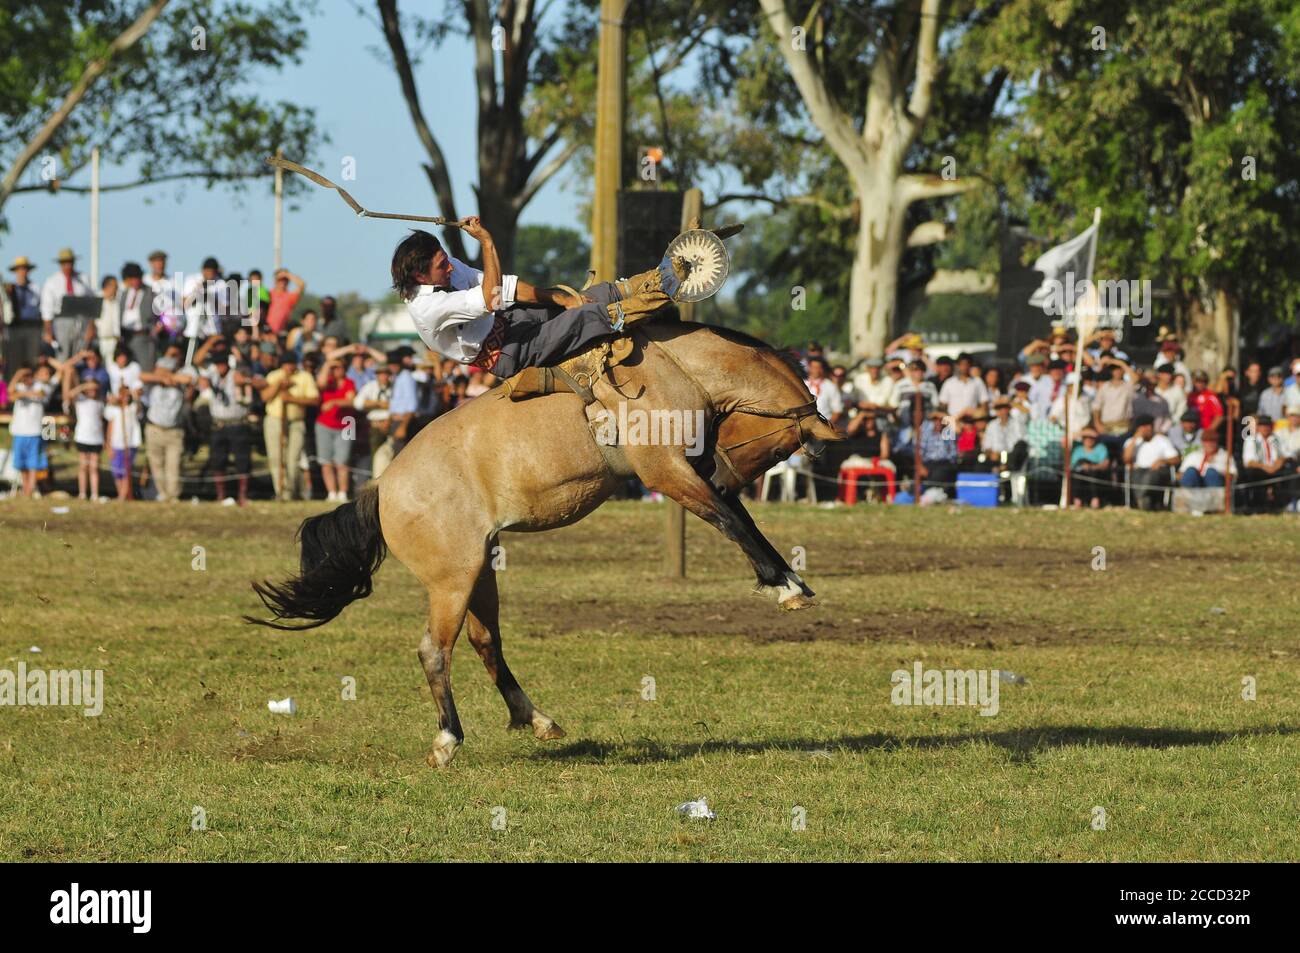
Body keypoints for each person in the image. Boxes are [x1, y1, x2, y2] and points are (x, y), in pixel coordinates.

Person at [392, 221, 689, 381]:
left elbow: (504, 287)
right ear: (420, 276)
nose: (451, 267)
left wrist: (558, 297)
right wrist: (487, 242)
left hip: (509, 319)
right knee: (581, 318)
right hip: (507, 352)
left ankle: (661, 273)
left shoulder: (443, 266)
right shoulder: (427, 309)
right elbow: (491, 298)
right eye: (442, 266)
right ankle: (663, 294)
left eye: (446, 260)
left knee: (586, 297)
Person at [138, 343, 197, 502]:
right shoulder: (155, 380)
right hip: (154, 428)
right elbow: (141, 376)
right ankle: (162, 494)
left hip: (174, 430)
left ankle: (173, 495)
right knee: (157, 464)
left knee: (174, 465)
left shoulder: (182, 375)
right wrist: (162, 378)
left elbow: (189, 378)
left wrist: (172, 379)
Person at [260, 350, 320, 501]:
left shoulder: (304, 377)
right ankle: (281, 490)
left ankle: (292, 490)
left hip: (296, 421)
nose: (288, 368)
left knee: (293, 458)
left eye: (291, 364)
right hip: (275, 419)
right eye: (286, 365)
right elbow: (265, 396)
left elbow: (314, 399)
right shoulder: (274, 376)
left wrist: (292, 399)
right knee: (276, 457)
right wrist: (279, 386)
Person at [204, 355, 259, 505]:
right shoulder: (212, 375)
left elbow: (243, 380)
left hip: (237, 423)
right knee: (218, 461)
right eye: (218, 365)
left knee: (242, 461)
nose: (220, 367)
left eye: (222, 364)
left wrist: (244, 381)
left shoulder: (235, 374)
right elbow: (199, 366)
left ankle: (242, 496)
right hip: (219, 424)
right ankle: (221, 495)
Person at [314, 357, 358, 502]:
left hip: (347, 423)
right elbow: (320, 383)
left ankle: (343, 493)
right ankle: (331, 493)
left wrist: (334, 402)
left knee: (343, 461)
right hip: (324, 425)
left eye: (338, 367)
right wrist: (327, 364)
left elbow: (351, 401)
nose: (336, 370)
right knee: (326, 461)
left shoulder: (349, 383)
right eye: (334, 368)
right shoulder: (327, 383)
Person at [8, 364, 54, 497]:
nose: (26, 379)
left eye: (28, 376)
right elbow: (10, 394)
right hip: (19, 431)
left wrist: (23, 393)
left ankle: (31, 489)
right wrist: (17, 375)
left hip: (35, 432)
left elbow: (41, 393)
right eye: (24, 376)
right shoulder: (20, 386)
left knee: (33, 463)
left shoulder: (41, 386)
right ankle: (25, 489)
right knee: (22, 464)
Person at [61, 362, 105, 501]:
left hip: (96, 438)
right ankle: (82, 493)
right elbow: (69, 394)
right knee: (83, 467)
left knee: (94, 468)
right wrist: (84, 386)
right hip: (82, 437)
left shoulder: (100, 402)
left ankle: (94, 494)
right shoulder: (80, 400)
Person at [39, 248, 91, 357]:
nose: (68, 266)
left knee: (80, 355)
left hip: (81, 320)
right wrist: (48, 330)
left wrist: (91, 326)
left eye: (70, 262)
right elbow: (47, 308)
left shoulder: (83, 279)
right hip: (61, 322)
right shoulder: (52, 281)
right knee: (63, 354)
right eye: (65, 263)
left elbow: (90, 302)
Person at [1123, 414, 1180, 511]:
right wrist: (1135, 439)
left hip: (1157, 472)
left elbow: (1176, 459)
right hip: (1138, 472)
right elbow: (1126, 459)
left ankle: (1140, 497)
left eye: (1150, 426)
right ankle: (1144, 498)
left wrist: (1162, 460)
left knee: (1151, 475)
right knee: (1137, 474)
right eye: (1145, 426)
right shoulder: (1131, 442)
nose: (1148, 429)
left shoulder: (1162, 440)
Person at [354, 362, 395, 479]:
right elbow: (357, 403)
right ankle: (377, 480)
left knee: (392, 454)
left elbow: (398, 406)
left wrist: (388, 416)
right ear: (377, 375)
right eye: (381, 374)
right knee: (376, 455)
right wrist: (378, 404)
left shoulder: (395, 386)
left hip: (391, 423)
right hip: (375, 426)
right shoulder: (370, 386)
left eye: (386, 374)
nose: (383, 377)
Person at [103, 382, 142, 502]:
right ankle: (122, 493)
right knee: (117, 472)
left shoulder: (132, 408)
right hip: (116, 444)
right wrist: (108, 444)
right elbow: (110, 427)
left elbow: (138, 407)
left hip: (129, 444)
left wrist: (133, 394)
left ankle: (123, 496)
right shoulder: (113, 410)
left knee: (126, 471)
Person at [5, 255, 44, 370]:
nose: (22, 272)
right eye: (19, 269)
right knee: (15, 358)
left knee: (32, 358)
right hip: (15, 327)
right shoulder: (10, 288)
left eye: (24, 269)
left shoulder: (35, 288)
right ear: (15, 271)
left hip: (33, 326)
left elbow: (40, 306)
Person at [1242, 414, 1287, 511]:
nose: (1265, 428)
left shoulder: (1277, 438)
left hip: (1276, 469)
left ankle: (1282, 504)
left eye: (1267, 425)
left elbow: (1285, 454)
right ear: (1258, 427)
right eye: (1262, 425)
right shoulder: (1251, 439)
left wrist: (1278, 463)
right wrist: (1266, 467)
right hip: (1260, 470)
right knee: (1252, 473)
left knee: (1288, 471)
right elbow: (1249, 461)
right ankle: (1257, 504)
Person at [938, 352, 990, 418]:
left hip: (972, 421)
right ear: (957, 365)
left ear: (970, 365)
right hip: (953, 421)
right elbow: (942, 405)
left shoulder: (978, 381)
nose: (964, 367)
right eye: (962, 364)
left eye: (967, 364)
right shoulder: (949, 382)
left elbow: (984, 403)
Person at [1070, 426, 1111, 509]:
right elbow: (1072, 465)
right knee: (1078, 475)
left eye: (1091, 437)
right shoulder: (1078, 449)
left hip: (1096, 473)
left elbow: (1105, 464)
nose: (1089, 439)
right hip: (1080, 474)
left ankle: (1095, 500)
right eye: (1086, 437)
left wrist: (1091, 467)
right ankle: (1077, 501)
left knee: (1093, 474)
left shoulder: (1101, 448)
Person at [266, 268, 305, 336]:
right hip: (267, 331)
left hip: (282, 332)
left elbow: (302, 285)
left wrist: (287, 275)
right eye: (280, 280)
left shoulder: (289, 297)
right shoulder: (269, 294)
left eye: (285, 280)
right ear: (275, 280)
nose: (283, 282)